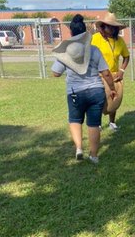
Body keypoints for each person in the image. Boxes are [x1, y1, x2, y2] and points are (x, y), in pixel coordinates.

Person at [51, 16, 117, 165]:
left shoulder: (66, 52)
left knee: (75, 120)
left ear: (71, 32)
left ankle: (79, 148)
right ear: (85, 31)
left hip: (74, 93)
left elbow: (55, 73)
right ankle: (94, 156)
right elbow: (106, 73)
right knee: (94, 123)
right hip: (96, 91)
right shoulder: (94, 50)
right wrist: (112, 89)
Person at [90, 13, 130, 130]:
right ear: (103, 26)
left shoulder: (120, 41)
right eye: (109, 26)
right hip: (99, 75)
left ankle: (112, 122)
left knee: (114, 99)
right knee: (99, 100)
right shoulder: (95, 38)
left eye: (114, 27)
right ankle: (98, 123)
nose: (112, 29)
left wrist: (121, 70)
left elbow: (126, 56)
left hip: (114, 75)